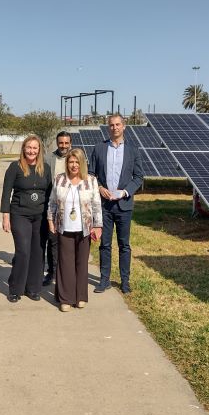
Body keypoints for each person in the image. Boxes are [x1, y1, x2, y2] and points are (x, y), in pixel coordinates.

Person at [89, 114, 143, 294]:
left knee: (124, 244)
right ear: (108, 127)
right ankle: (104, 280)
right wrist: (99, 187)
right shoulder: (99, 149)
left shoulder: (133, 150)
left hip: (124, 205)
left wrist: (125, 191)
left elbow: (138, 177)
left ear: (124, 126)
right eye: (111, 125)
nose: (115, 128)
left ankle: (124, 281)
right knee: (105, 244)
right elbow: (91, 175)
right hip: (104, 205)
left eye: (118, 124)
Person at [48, 148, 102, 312]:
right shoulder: (59, 180)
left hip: (84, 229)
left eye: (77, 162)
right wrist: (51, 220)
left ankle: (80, 296)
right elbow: (52, 203)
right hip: (64, 228)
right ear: (66, 163)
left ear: (82, 163)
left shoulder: (90, 181)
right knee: (65, 264)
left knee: (81, 264)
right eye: (71, 162)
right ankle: (66, 298)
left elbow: (96, 205)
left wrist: (98, 226)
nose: (74, 165)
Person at [1, 134, 52, 303]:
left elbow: (50, 192)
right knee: (23, 251)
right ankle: (15, 288)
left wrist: (52, 217)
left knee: (38, 252)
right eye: (29, 147)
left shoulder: (45, 167)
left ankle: (33, 288)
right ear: (24, 149)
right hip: (20, 214)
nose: (31, 151)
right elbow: (6, 192)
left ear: (39, 150)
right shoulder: (15, 167)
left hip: (41, 216)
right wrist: (5, 216)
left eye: (35, 148)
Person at [43, 131, 72, 286]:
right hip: (53, 207)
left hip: (71, 208)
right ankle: (52, 272)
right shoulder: (48, 158)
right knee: (52, 241)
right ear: (57, 142)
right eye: (61, 143)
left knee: (68, 243)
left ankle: (66, 273)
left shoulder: (75, 158)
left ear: (70, 143)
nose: (64, 146)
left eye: (67, 143)